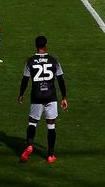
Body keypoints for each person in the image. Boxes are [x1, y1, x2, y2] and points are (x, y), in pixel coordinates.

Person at [18, 36, 68, 164]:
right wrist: (64, 97)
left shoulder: (30, 61)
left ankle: (29, 145)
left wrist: (21, 94)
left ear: (36, 46)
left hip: (36, 96)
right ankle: (50, 155)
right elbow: (61, 79)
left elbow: (25, 80)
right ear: (46, 45)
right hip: (51, 96)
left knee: (32, 122)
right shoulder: (53, 61)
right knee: (51, 125)